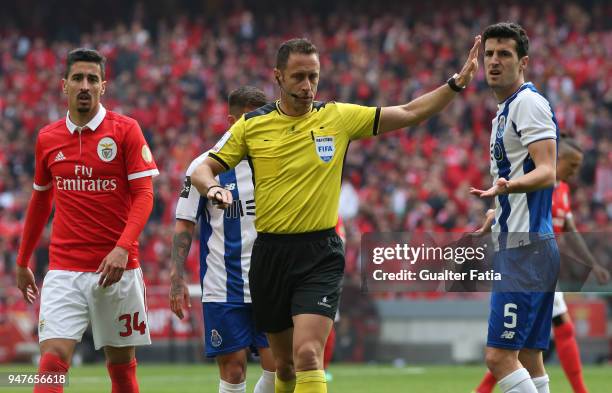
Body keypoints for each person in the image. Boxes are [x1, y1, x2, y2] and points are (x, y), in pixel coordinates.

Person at [191, 36, 480, 393]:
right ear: (278, 76)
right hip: (269, 255)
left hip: (319, 253)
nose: (307, 85)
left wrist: (455, 84)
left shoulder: (338, 117)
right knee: (284, 368)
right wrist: (213, 188)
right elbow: (202, 169)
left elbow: (408, 112)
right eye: (298, 76)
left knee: (309, 355)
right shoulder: (251, 125)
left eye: (313, 76)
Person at [15, 48, 158, 393]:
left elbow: (145, 195)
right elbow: (40, 200)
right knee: (51, 362)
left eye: (92, 79)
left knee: (122, 371)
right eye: (77, 78)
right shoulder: (48, 138)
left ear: (103, 86)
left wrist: (123, 248)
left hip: (118, 271)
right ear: (64, 85)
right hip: (64, 268)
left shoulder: (126, 131)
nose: (84, 85)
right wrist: (22, 261)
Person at [473, 136, 610, 393]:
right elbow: (509, 205)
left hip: (543, 266)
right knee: (516, 346)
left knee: (521, 346)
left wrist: (592, 264)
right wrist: (494, 213)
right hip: (525, 264)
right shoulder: (535, 184)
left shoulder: (564, 191)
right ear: (557, 159)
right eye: (572, 165)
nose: (575, 171)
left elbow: (570, 229)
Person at [469, 23, 560, 393]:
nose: (494, 61)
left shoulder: (528, 104)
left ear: (523, 62)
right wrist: (500, 209)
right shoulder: (506, 109)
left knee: (499, 357)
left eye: (504, 54)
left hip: (525, 251)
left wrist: (508, 186)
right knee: (528, 357)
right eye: (490, 54)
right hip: (528, 245)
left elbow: (548, 171)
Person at [169, 86, 275, 393]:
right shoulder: (203, 168)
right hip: (222, 287)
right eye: (248, 120)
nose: (255, 128)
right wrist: (176, 278)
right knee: (232, 370)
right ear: (231, 121)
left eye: (261, 120)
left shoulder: (274, 164)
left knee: (280, 368)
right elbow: (184, 225)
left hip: (270, 283)